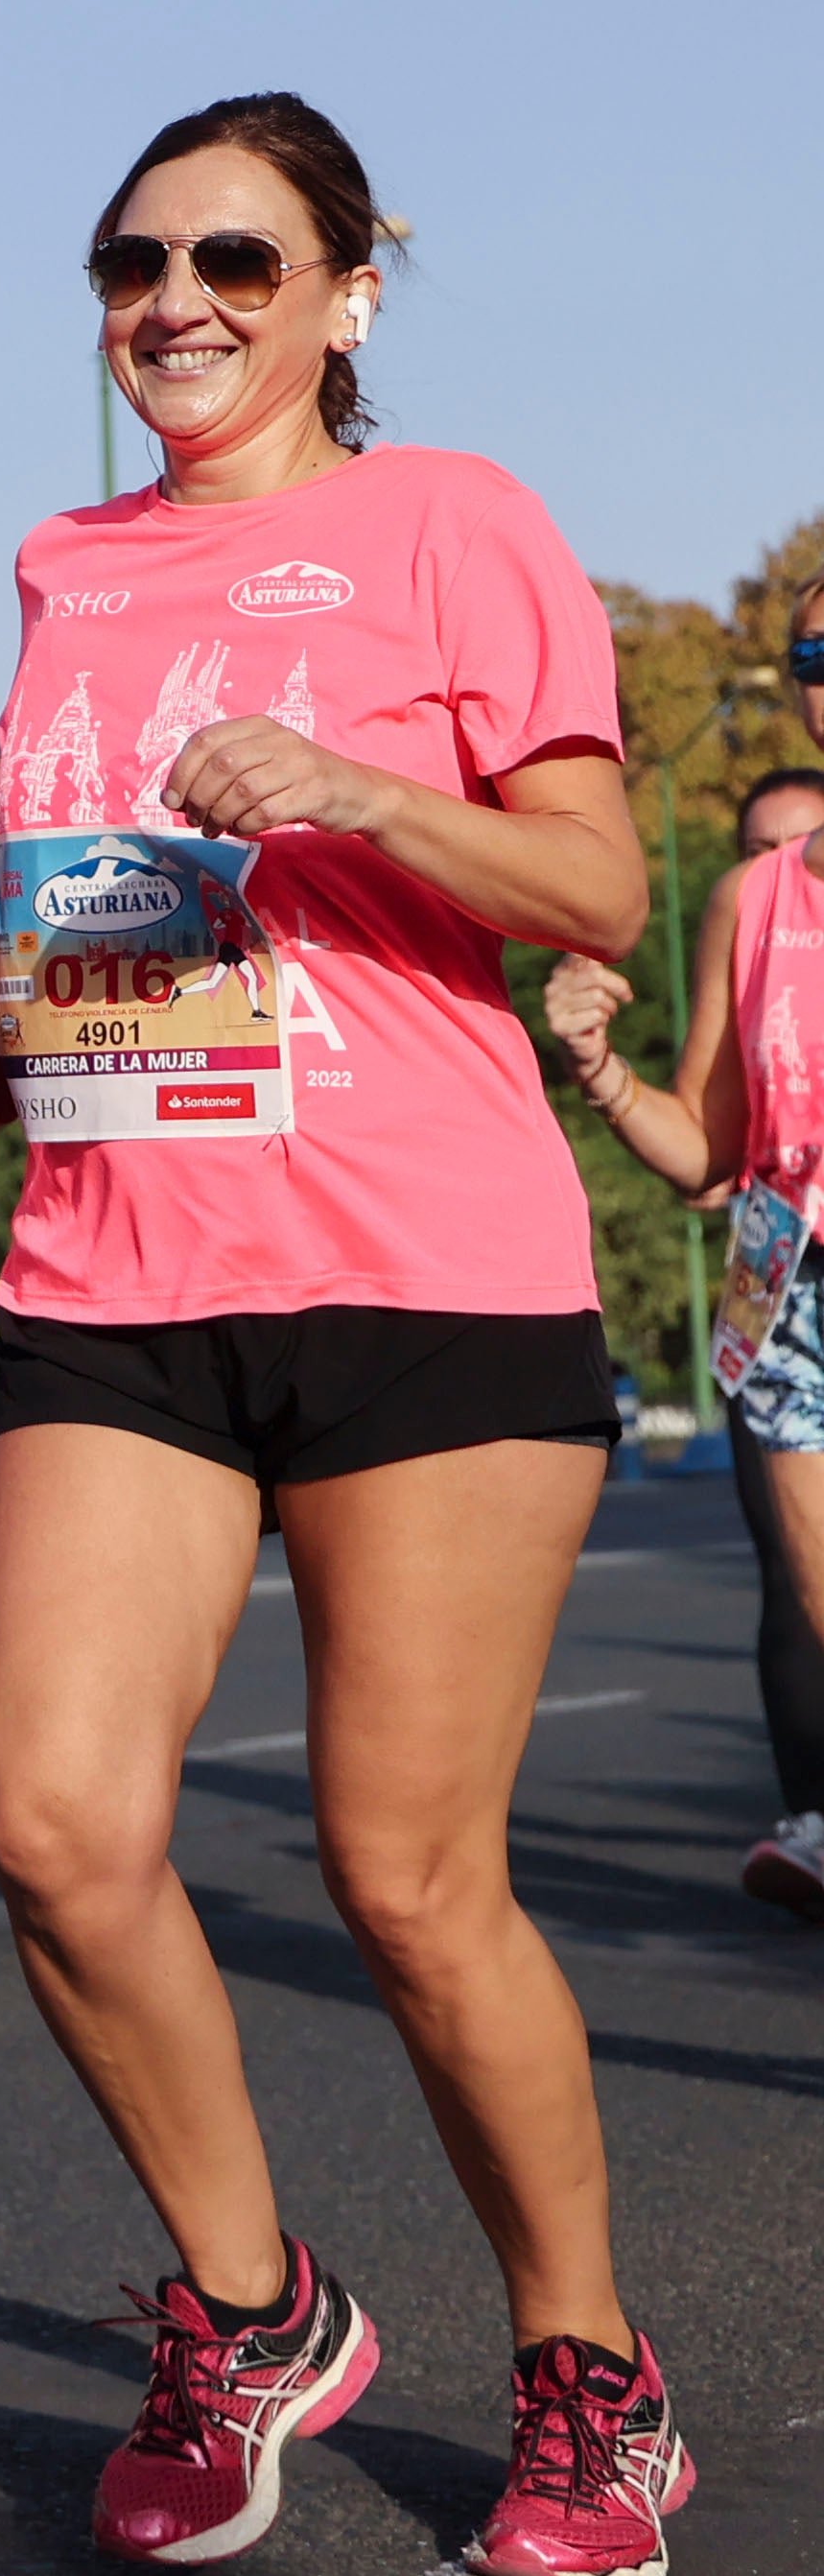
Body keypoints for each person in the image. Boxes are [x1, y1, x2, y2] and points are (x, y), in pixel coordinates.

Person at [0, 94, 683, 2576]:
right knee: (54, 1826)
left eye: (236, 259)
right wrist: (6, 1035)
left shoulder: (456, 523)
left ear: (349, 292)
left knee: (412, 1881)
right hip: (117, 1268)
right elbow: (113, 907)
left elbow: (595, 891)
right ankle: (251, 2313)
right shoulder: (67, 564)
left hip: (424, 1270)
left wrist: (352, 789)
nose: (177, 304)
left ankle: (590, 2371)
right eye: (133, 263)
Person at [543, 690, 824, 1927]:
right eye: (812, 651)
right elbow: (710, 1152)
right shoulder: (752, 899)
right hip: (789, 1291)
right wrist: (601, 1069)